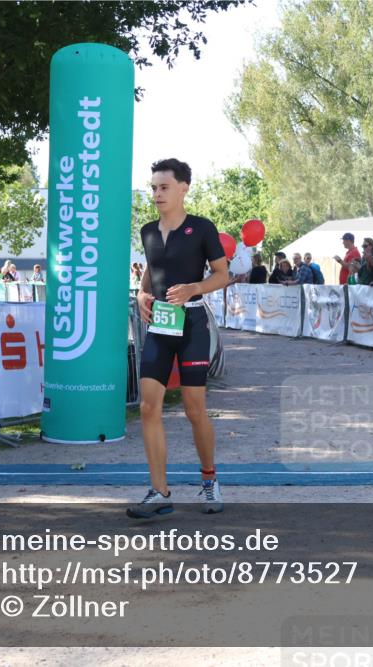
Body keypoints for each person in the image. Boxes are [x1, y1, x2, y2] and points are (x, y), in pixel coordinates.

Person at [129, 158, 230, 520]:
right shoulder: (147, 231)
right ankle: (159, 491)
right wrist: (141, 295)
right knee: (148, 406)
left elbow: (222, 274)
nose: (157, 194)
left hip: (193, 324)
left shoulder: (202, 228)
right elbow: (149, 274)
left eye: (164, 187)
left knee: (193, 408)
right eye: (153, 187)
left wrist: (193, 288)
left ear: (183, 188)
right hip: (160, 327)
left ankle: (209, 480)